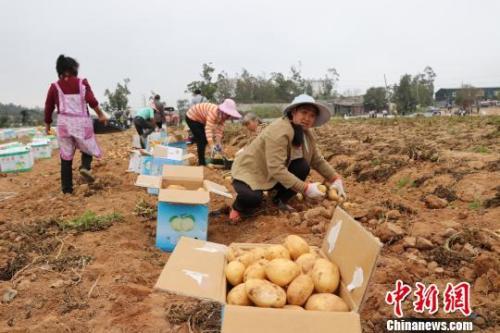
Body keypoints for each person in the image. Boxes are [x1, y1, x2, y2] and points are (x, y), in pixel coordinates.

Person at [229, 94, 347, 223]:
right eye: (304, 112)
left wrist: (335, 178)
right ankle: (237, 208)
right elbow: (276, 168)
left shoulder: (305, 134)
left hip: (270, 175)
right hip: (249, 172)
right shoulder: (279, 130)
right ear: (293, 112)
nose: (307, 118)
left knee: (302, 166)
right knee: (252, 199)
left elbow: (316, 159)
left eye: (312, 115)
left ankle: (278, 200)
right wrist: (306, 188)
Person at [44, 54, 107, 194]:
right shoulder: (81, 83)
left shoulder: (54, 86)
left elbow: (49, 106)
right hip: (81, 123)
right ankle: (85, 167)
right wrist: (101, 115)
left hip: (63, 124)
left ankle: (67, 190)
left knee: (66, 156)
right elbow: (92, 101)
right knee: (88, 146)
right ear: (73, 69)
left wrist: (47, 125)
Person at [185, 99, 242, 165]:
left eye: (230, 115)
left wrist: (218, 144)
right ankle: (201, 162)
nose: (228, 117)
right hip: (192, 117)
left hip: (200, 119)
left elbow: (219, 132)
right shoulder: (213, 112)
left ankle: (193, 138)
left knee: (203, 138)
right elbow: (208, 129)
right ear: (223, 111)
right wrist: (212, 145)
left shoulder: (223, 117)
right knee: (202, 139)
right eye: (228, 114)